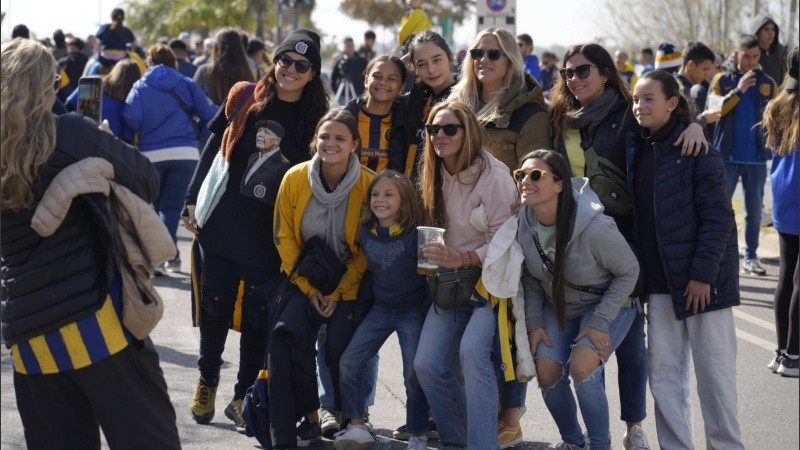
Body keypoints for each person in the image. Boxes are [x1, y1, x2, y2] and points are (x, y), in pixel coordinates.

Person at [1, 37, 180, 450]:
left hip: (30, 338)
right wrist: (100, 141)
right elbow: (147, 180)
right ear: (44, 86)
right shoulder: (71, 133)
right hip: (96, 326)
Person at [548, 42, 707, 450]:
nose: (575, 79)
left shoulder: (626, 114)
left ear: (605, 73)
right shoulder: (560, 118)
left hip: (624, 243)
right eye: (569, 73)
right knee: (582, 351)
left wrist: (694, 124)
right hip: (573, 245)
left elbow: (666, 120)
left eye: (584, 71)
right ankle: (581, 437)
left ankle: (634, 427)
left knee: (633, 349)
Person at [182, 27, 329, 433]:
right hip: (223, 225)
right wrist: (192, 198)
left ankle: (243, 395)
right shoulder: (246, 96)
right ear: (274, 61)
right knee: (214, 308)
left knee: (258, 319)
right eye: (284, 60)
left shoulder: (316, 121)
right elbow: (213, 149)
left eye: (302, 65)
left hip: (271, 237)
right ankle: (207, 379)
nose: (290, 69)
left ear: (312, 73)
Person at [629, 69, 744, 449]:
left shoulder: (697, 149)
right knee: (664, 380)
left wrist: (702, 275)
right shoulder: (637, 146)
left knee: (715, 379)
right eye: (636, 99)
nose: (640, 106)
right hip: (659, 287)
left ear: (672, 103)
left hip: (704, 285)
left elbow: (719, 218)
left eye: (649, 99)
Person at [413, 100, 518, 449]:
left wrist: (461, 258)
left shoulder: (495, 175)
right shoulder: (433, 170)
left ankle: (482, 444)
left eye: (449, 129)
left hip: (491, 283)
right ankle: (461, 441)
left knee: (473, 353)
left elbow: (507, 239)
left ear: (468, 131)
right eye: (433, 129)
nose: (440, 136)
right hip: (450, 284)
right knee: (427, 364)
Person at [519, 150, 639, 450]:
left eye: (536, 175)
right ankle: (574, 442)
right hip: (558, 306)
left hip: (606, 305)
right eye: (520, 174)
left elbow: (629, 270)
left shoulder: (595, 226)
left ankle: (600, 444)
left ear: (559, 184)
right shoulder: (524, 221)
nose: (525, 181)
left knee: (582, 367)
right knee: (546, 370)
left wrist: (600, 322)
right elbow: (531, 277)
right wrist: (534, 323)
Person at [271, 109, 373, 448]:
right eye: (324, 137)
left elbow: (368, 246)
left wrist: (339, 291)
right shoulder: (295, 178)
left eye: (340, 138)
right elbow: (283, 236)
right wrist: (309, 288)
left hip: (349, 280)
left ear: (355, 145)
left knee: (338, 348)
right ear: (315, 140)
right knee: (290, 336)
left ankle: (348, 416)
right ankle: (310, 418)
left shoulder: (369, 184)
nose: (330, 144)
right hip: (305, 276)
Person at [334, 170, 430, 450]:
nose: (380, 200)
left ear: (405, 201)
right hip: (380, 309)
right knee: (349, 362)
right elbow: (365, 273)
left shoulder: (417, 235)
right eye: (375, 194)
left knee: (413, 373)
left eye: (389, 194)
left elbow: (428, 278)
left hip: (411, 312)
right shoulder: (365, 233)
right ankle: (356, 424)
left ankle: (418, 431)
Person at [124, 43, 216, 273]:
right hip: (185, 153)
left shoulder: (140, 86)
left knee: (153, 208)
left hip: (151, 154)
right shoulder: (186, 83)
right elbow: (208, 115)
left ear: (149, 61)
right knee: (172, 208)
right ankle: (171, 257)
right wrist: (199, 138)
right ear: (173, 61)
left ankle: (157, 257)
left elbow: (131, 118)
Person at [710, 34, 777, 276]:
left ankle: (750, 257)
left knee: (754, 213)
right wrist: (738, 90)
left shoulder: (768, 82)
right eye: (746, 56)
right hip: (726, 157)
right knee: (720, 210)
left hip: (756, 159)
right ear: (736, 54)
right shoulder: (721, 79)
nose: (750, 62)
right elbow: (714, 111)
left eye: (755, 57)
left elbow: (775, 115)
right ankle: (718, 257)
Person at [449, 27, 551, 172]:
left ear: (510, 60)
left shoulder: (531, 114)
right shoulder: (455, 104)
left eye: (493, 54)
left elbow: (533, 182)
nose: (483, 60)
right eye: (477, 53)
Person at [761, 46, 799, 377]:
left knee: (786, 276)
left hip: (784, 195)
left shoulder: (778, 103)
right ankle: (794, 357)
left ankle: (781, 351)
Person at [402, 30, 458, 182]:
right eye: (422, 64)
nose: (431, 70)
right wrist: (400, 65)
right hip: (412, 186)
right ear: (414, 67)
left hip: (445, 186)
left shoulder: (463, 98)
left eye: (437, 60)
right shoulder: (417, 96)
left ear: (450, 58)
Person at [345, 54, 408, 173]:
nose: (383, 82)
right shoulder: (345, 119)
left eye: (392, 78)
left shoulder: (405, 121)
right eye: (377, 76)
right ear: (366, 80)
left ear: (402, 87)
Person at [67, 58, 141, 142]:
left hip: (82, 140)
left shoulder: (93, 85)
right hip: (112, 148)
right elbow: (127, 137)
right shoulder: (129, 104)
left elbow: (67, 107)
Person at [193, 28, 255, 105]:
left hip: (210, 116)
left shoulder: (204, 72)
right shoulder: (248, 73)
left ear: (216, 48)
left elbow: (193, 100)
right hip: (241, 116)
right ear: (240, 48)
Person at [675, 41, 720, 134]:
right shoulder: (678, 89)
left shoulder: (690, 87)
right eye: (705, 69)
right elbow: (680, 130)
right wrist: (704, 119)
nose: (707, 74)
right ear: (691, 65)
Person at [752, 16, 788, 85]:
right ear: (757, 32)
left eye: (773, 29)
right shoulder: (750, 54)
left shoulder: (782, 54)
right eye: (766, 29)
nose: (771, 33)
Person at [331, 37, 368, 104]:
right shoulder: (340, 61)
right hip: (342, 95)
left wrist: (364, 90)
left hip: (358, 94)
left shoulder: (362, 61)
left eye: (352, 46)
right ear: (344, 47)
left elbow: (366, 75)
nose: (350, 48)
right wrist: (336, 91)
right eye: (348, 46)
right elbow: (333, 77)